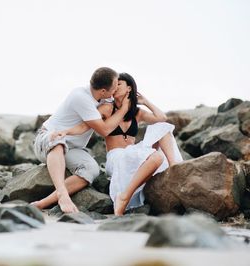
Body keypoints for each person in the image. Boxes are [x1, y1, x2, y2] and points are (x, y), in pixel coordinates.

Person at [51, 73, 183, 215]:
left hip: (133, 154)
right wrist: (65, 131)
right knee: (157, 157)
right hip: (117, 157)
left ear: (129, 89)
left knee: (162, 128)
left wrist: (145, 101)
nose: (114, 88)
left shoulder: (136, 112)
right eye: (114, 85)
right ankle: (124, 197)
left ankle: (174, 167)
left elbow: (162, 118)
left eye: (119, 84)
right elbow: (84, 126)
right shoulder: (107, 108)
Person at [32, 67, 130, 213]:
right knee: (58, 141)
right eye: (115, 86)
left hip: (72, 149)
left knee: (92, 170)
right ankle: (62, 194)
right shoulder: (80, 97)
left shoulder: (105, 96)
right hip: (47, 138)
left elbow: (110, 107)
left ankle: (42, 203)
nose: (116, 90)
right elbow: (103, 130)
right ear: (103, 90)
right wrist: (124, 109)